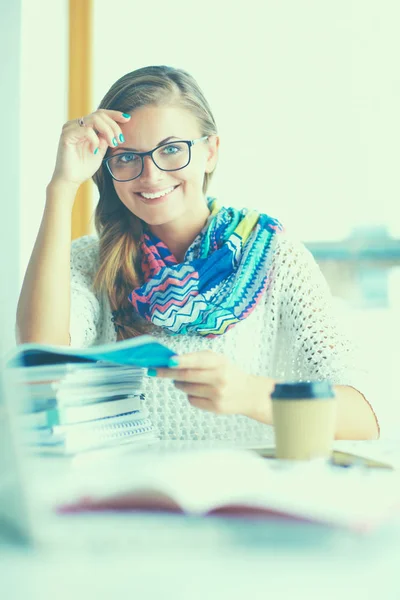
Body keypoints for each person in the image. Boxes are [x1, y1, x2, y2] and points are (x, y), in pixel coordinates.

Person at [16, 65, 379, 443]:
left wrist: (251, 395)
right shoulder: (92, 261)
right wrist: (62, 186)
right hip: (127, 498)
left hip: (244, 496)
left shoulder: (276, 257)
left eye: (172, 149)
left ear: (210, 152)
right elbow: (41, 360)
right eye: (126, 157)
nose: (151, 175)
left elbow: (364, 415)